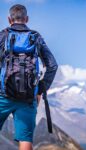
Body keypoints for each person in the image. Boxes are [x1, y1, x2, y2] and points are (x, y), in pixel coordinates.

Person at [0, 4, 58, 150]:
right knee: (25, 140)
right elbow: (52, 65)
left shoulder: (3, 36)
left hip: (3, 95)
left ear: (9, 19)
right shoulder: (35, 37)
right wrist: (39, 91)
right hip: (28, 97)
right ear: (26, 19)